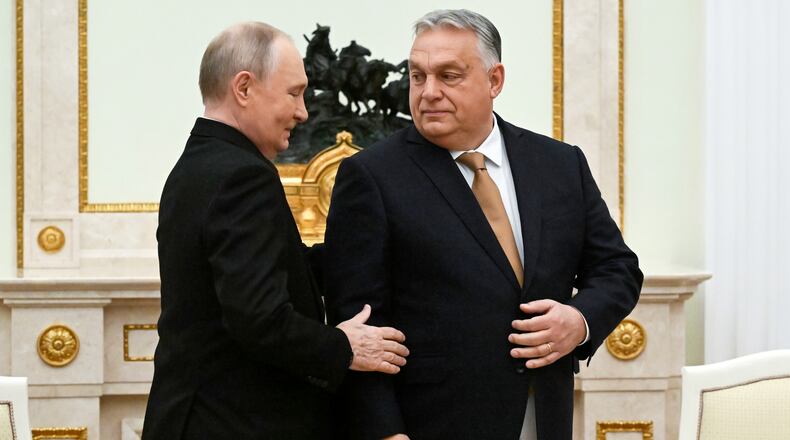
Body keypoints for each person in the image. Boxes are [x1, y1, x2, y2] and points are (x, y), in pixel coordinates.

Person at [324, 9, 643, 440]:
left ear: (495, 80)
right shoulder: (372, 177)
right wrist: (385, 433)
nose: (428, 92)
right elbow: (360, 325)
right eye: (418, 76)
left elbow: (617, 269)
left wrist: (579, 319)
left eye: (448, 76)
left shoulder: (559, 164)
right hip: (431, 424)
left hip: (545, 416)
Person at [141, 22, 409, 440]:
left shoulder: (198, 164)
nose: (303, 111)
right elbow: (260, 319)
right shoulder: (243, 176)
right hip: (234, 423)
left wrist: (376, 246)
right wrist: (345, 347)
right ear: (243, 88)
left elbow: (278, 270)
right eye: (294, 93)